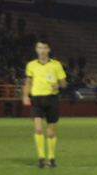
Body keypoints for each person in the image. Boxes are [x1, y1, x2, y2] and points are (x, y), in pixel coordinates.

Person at [22, 36, 67, 168]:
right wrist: (25, 95)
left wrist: (58, 84)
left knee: (51, 132)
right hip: (37, 99)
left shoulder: (56, 65)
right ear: (36, 49)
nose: (42, 51)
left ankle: (51, 157)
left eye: (44, 48)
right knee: (39, 129)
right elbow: (28, 82)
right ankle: (41, 157)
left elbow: (64, 83)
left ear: (49, 49)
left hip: (51, 99)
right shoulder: (31, 65)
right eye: (39, 48)